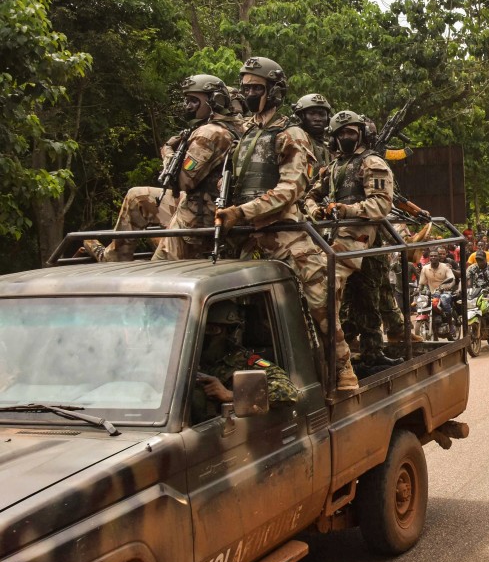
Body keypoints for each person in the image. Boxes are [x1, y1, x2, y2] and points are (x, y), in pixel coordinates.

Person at [213, 57, 355, 391]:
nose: (248, 93)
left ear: (274, 91)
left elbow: (290, 189)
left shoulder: (291, 134)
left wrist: (243, 212)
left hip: (284, 231)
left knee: (321, 298)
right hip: (243, 234)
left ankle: (343, 366)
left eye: (256, 88)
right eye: (245, 87)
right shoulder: (244, 132)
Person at [86, 74, 241, 262]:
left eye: (194, 100)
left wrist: (167, 154)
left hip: (199, 217)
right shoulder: (233, 125)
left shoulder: (209, 133)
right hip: (204, 204)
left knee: (157, 272)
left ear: (214, 100)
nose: (188, 106)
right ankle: (113, 257)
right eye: (186, 100)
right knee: (138, 196)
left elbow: (182, 181)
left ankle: (122, 259)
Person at [305, 109, 398, 369]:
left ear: (361, 134)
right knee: (340, 301)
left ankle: (373, 353)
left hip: (367, 241)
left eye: (350, 132)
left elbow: (380, 205)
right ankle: (339, 353)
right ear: (333, 138)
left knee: (368, 299)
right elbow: (310, 196)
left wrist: (348, 210)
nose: (346, 137)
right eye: (341, 133)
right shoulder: (332, 167)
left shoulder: (372, 163)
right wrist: (316, 211)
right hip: (337, 241)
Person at [194, 300, 298, 420]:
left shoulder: (246, 362)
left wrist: (232, 395)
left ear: (231, 334)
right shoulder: (183, 359)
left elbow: (287, 393)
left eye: (212, 329)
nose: (205, 336)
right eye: (202, 330)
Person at [292, 93, 333, 179]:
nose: (317, 118)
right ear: (300, 117)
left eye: (322, 114)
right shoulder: (292, 141)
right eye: (312, 113)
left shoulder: (330, 147)